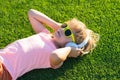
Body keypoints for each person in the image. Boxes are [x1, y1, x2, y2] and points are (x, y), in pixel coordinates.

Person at [0, 9, 99, 80]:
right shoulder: (46, 34)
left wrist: (69, 49)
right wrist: (56, 25)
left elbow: (55, 56)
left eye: (68, 32)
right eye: (65, 25)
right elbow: (32, 13)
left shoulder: (56, 54)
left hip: (5, 70)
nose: (63, 29)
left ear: (71, 44)